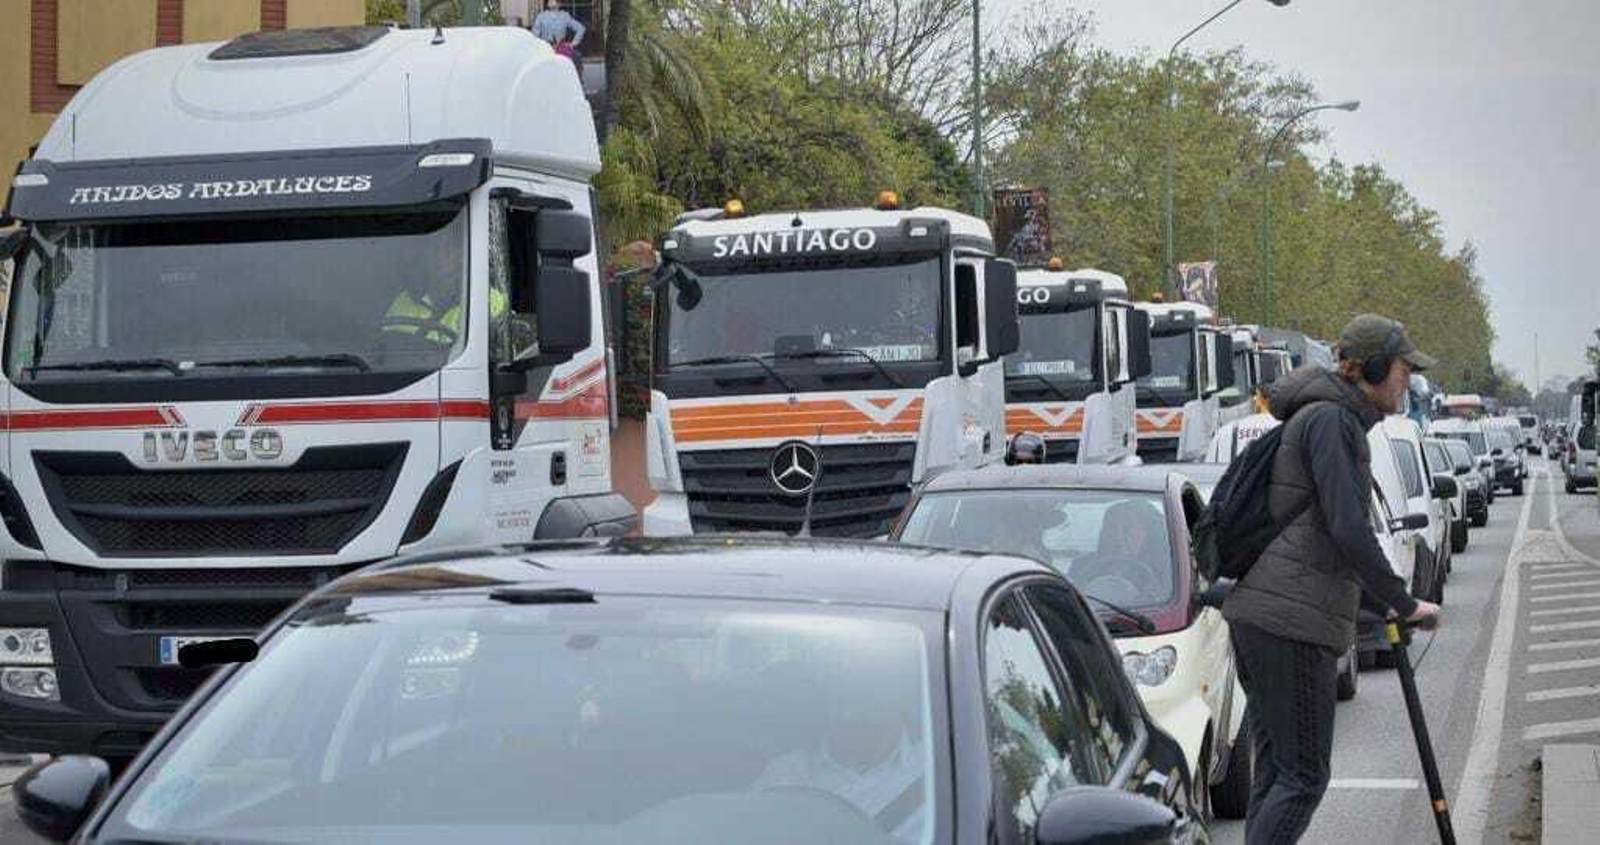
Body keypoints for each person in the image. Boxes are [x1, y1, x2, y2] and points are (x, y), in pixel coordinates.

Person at [1221, 313, 1442, 844]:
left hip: (1268, 616)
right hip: (1289, 622)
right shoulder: (1333, 423)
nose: (1407, 380)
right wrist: (1403, 600)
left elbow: (1326, 535)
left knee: (1278, 772)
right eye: (1402, 369)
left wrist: (1380, 602)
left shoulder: (1328, 419)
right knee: (1304, 778)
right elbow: (1347, 526)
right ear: (1370, 368)